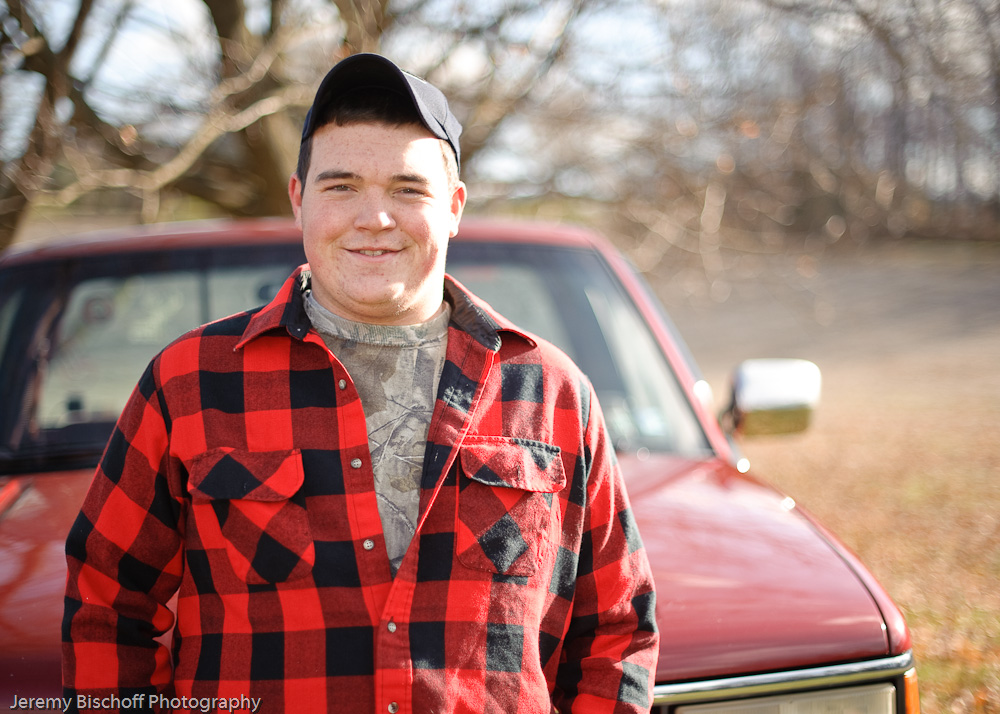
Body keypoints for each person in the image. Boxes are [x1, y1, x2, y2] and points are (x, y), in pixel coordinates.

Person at [63, 53, 658, 713]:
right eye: (341, 185)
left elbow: (617, 629)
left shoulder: (553, 395)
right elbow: (107, 601)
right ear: (299, 199)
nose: (373, 217)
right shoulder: (189, 383)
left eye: (408, 188)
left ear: (454, 206)